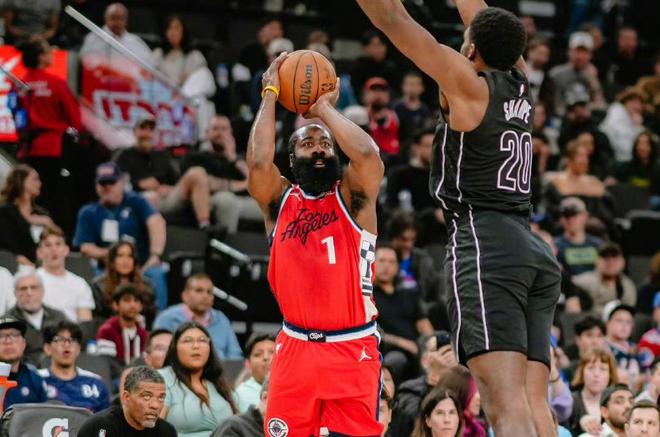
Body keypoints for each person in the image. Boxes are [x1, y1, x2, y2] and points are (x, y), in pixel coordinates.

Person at [356, 1, 561, 436]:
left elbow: (392, 18)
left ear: (470, 51)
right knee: (533, 401)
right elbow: (481, 17)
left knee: (504, 405)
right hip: (530, 248)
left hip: (487, 245)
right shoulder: (521, 82)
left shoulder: (468, 85)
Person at [248, 49, 385, 435]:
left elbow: (367, 154)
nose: (319, 149)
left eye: (324, 144)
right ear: (291, 161)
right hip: (295, 348)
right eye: (307, 145)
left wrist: (323, 109)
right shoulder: (279, 202)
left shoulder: (354, 199)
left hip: (352, 347)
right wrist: (270, 93)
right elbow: (258, 164)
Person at [73, 162, 168, 310]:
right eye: (103, 183)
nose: (107, 187)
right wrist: (116, 256)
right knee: (99, 281)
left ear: (121, 183)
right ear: (96, 186)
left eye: (111, 182)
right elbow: (85, 247)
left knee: (156, 273)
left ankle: (157, 320)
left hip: (142, 266)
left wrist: (155, 255)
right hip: (107, 268)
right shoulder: (88, 212)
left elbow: (156, 222)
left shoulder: (136, 201)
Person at [16, 36, 84, 238]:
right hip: (56, 149)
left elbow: (18, 118)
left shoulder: (20, 85)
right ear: (40, 57)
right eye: (47, 50)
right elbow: (75, 119)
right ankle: (62, 240)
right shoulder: (56, 83)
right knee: (60, 196)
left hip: (30, 151)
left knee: (34, 197)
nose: (52, 53)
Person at [115, 115, 211, 228]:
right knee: (150, 196)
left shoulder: (162, 156)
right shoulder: (124, 156)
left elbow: (177, 181)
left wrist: (169, 189)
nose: (147, 133)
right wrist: (138, 184)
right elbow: (114, 185)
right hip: (138, 200)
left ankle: (205, 226)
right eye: (143, 128)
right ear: (135, 131)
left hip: (166, 200)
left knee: (197, 172)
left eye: (151, 129)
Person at [184, 115, 262, 233]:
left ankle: (273, 244)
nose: (220, 133)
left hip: (243, 200)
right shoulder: (197, 157)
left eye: (224, 129)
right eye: (215, 129)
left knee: (274, 206)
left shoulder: (238, 160)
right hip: (213, 199)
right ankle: (225, 243)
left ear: (231, 133)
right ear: (207, 133)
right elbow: (208, 183)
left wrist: (232, 157)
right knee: (226, 200)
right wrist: (244, 184)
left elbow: (258, 183)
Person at [159, 322, 237, 436]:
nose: (196, 346)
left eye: (202, 340)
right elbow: (153, 430)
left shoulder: (218, 383)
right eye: (187, 341)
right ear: (175, 348)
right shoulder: (163, 378)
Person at [373, 244, 434, 381]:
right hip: (387, 351)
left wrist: (434, 345)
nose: (386, 266)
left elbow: (424, 326)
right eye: (382, 260)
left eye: (391, 262)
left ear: (397, 267)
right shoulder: (368, 297)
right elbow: (371, 332)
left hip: (416, 350)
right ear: (372, 263)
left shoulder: (409, 295)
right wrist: (402, 343)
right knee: (396, 360)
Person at [153, 273, 243, 360]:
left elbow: (235, 355)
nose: (205, 296)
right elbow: (158, 353)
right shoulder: (167, 318)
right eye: (199, 290)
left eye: (209, 292)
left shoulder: (222, 319)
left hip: (220, 369)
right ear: (185, 296)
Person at [389, 332, 458, 437]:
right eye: (437, 350)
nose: (445, 354)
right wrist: (435, 375)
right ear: (424, 360)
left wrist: (459, 371)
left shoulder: (464, 384)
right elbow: (415, 420)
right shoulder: (409, 389)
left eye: (449, 350)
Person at [78, 365, 177, 436]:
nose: (155, 405)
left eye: (160, 398)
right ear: (126, 397)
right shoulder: (101, 426)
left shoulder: (167, 432)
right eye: (146, 396)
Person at [38, 320, 111, 412]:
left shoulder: (96, 383)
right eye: (59, 339)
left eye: (72, 340)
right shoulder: (36, 380)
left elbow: (106, 418)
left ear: (78, 349)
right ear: (47, 348)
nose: (67, 345)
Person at [4, 270, 67, 365]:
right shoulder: (6, 323)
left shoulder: (59, 317)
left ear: (42, 291)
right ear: (15, 293)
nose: (29, 293)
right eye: (23, 289)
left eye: (33, 287)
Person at [36, 224, 95, 322]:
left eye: (58, 244)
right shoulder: (30, 282)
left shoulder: (80, 284)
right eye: (48, 245)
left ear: (66, 250)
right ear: (39, 252)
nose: (53, 249)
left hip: (72, 330)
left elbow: (85, 323)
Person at [0, 165, 53, 266]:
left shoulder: (42, 214)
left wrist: (49, 223)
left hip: (42, 266)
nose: (40, 183)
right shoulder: (5, 212)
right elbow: (8, 246)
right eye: (35, 179)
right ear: (22, 181)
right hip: (12, 265)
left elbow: (54, 241)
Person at [91, 241, 156, 321]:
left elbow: (152, 317)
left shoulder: (147, 286)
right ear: (112, 261)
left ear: (134, 261)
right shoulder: (99, 286)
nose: (125, 261)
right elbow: (97, 319)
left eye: (130, 256)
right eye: (120, 256)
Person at [572, 244, 637, 318]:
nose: (610, 262)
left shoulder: (627, 285)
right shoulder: (587, 280)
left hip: (616, 322)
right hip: (590, 321)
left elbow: (629, 312)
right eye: (605, 257)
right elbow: (567, 283)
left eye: (614, 257)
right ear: (597, 260)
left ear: (622, 261)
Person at [79, 3, 154, 65]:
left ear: (126, 21)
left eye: (121, 18)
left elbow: (149, 64)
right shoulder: (93, 38)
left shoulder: (135, 41)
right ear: (106, 18)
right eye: (114, 18)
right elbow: (84, 61)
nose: (118, 22)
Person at [566, 348, 619, 436]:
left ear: (610, 375)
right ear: (582, 372)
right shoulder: (570, 400)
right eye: (591, 368)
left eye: (602, 369)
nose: (596, 374)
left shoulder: (616, 404)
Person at [0, 316, 48, 409]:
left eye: (14, 335)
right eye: (0, 336)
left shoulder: (35, 379)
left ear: (23, 344)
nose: (8, 341)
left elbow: (44, 415)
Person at [97, 284, 148, 366]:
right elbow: (107, 365)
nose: (132, 305)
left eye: (136, 300)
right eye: (127, 300)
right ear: (115, 305)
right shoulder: (107, 331)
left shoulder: (144, 335)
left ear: (141, 306)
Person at [152, 15, 208, 87]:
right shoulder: (158, 54)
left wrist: (191, 77)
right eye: (169, 28)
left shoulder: (195, 56)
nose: (173, 32)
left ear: (184, 30)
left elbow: (204, 79)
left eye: (177, 28)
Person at [435, 365, 487, 437]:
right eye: (473, 391)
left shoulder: (478, 430)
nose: (479, 397)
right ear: (459, 393)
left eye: (478, 390)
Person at [234, 333, 275, 412]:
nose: (266, 357)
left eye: (272, 352)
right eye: (258, 354)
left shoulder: (293, 388)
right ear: (248, 363)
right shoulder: (239, 395)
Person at [604, 304, 642, 391]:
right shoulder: (600, 347)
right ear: (608, 323)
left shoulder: (637, 349)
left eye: (628, 322)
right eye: (619, 320)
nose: (624, 325)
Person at [392, 71, 433, 144]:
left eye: (416, 85)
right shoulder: (395, 108)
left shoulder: (425, 110)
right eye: (410, 84)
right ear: (403, 86)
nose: (413, 88)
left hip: (419, 146)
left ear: (422, 88)